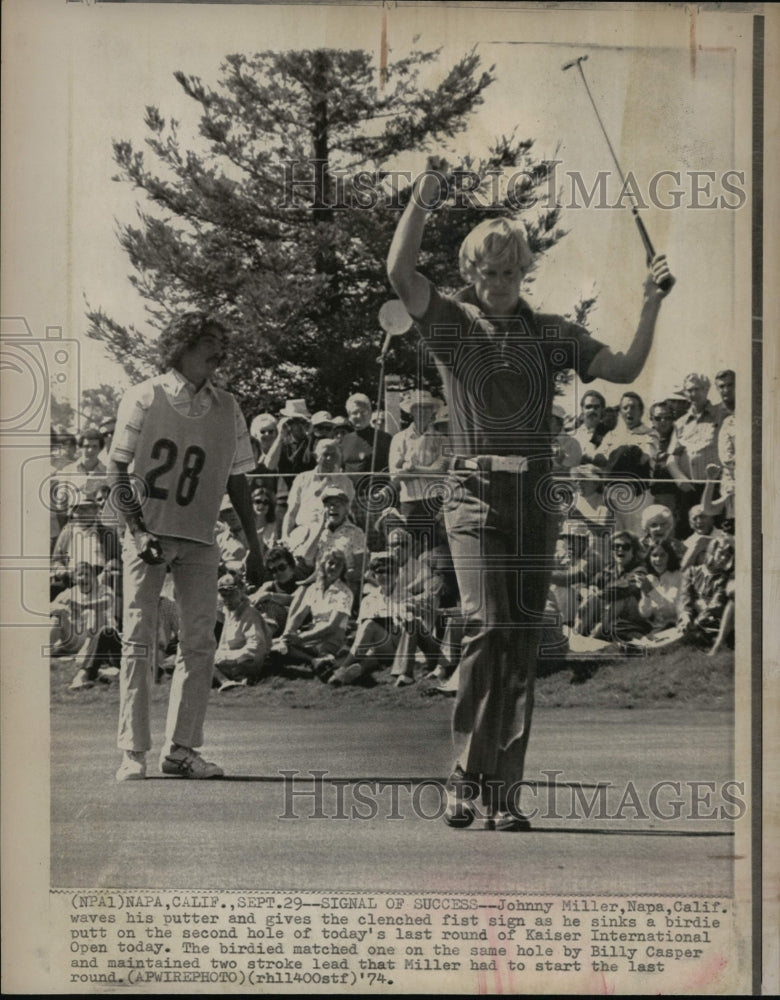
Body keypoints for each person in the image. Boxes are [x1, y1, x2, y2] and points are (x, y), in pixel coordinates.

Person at [387, 156, 673, 830]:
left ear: (524, 273)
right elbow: (400, 274)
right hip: (473, 492)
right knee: (487, 625)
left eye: (511, 271)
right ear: (471, 275)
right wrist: (423, 200)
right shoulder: (455, 325)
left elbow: (625, 366)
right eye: (488, 272)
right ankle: (463, 775)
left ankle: (502, 791)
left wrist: (653, 300)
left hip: (538, 495)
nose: (499, 283)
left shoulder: (551, 335)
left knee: (522, 640)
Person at [109, 311, 262, 781]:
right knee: (138, 642)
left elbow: (238, 480)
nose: (219, 350)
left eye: (221, 341)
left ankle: (182, 750)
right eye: (209, 341)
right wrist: (136, 530)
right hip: (148, 534)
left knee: (200, 644)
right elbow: (117, 470)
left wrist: (254, 542)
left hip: (200, 533)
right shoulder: (144, 395)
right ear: (183, 345)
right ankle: (132, 752)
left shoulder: (229, 405)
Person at [388, 389, 449, 550]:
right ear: (412, 411)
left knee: (438, 549)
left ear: (433, 411)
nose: (423, 412)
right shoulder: (399, 438)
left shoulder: (442, 440)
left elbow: (442, 471)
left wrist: (412, 469)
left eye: (427, 408)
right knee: (413, 548)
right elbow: (394, 475)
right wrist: (426, 472)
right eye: (419, 408)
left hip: (436, 501)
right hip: (410, 502)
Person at [272, 549, 353, 666]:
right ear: (323, 564)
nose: (334, 567)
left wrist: (300, 638)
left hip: (331, 638)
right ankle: (316, 660)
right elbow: (299, 615)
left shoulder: (345, 593)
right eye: (331, 563)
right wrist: (289, 633)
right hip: (312, 634)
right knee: (272, 644)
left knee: (278, 648)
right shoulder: (313, 589)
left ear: (343, 569)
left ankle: (312, 659)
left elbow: (331, 626)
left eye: (339, 565)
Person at [50, 560, 121, 690]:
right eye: (80, 575)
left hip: (96, 637)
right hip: (74, 637)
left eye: (87, 574)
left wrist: (82, 606)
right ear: (75, 579)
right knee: (58, 615)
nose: (84, 578)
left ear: (94, 577)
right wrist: (61, 607)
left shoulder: (104, 589)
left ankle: (87, 656)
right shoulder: (70, 592)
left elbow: (106, 602)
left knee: (97, 612)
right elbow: (48, 607)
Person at [212, 570, 270, 690]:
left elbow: (256, 647)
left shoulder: (250, 613)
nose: (227, 600)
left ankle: (226, 680)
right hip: (230, 660)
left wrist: (229, 658)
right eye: (223, 595)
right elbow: (223, 645)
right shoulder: (228, 613)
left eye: (231, 594)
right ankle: (232, 680)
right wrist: (220, 656)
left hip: (247, 660)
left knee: (204, 661)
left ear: (241, 593)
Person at [674, 373, 722, 494]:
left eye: (697, 389)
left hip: (715, 486)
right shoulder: (681, 423)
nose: (694, 394)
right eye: (690, 390)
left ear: (706, 390)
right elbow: (673, 455)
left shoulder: (720, 414)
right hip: (689, 488)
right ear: (685, 393)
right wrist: (680, 479)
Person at [571, 390, 607, 463]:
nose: (592, 410)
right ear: (582, 409)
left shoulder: (611, 435)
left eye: (596, 407)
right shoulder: (571, 436)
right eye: (588, 407)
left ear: (602, 410)